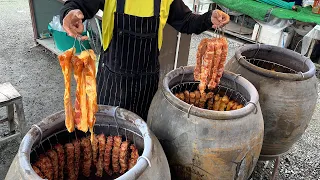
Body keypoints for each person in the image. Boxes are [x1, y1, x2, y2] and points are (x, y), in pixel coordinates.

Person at [60, 0, 230, 120]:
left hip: (146, 81)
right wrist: (69, 13)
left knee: (141, 135)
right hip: (113, 79)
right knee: (107, 134)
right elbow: (79, 5)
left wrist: (209, 18)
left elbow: (185, 21)